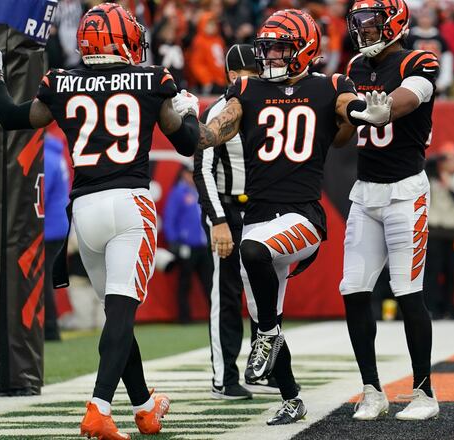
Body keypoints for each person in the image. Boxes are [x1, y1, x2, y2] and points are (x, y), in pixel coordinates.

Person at [0, 3, 200, 438]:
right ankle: (98, 407)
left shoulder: (61, 81)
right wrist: (188, 111)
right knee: (120, 315)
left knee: (117, 316)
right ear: (123, 39)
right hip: (130, 205)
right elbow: (186, 143)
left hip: (85, 211)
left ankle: (146, 406)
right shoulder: (153, 78)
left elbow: (12, 117)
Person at [180, 8, 384, 425]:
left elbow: (349, 107)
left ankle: (269, 337)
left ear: (305, 49)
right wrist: (179, 118)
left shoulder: (329, 85)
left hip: (302, 217)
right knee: (262, 313)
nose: (270, 55)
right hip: (258, 214)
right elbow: (208, 136)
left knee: (252, 255)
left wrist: (368, 112)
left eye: (280, 47)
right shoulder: (247, 90)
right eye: (267, 47)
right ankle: (291, 397)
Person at [342, 0, 440, 420]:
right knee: (353, 289)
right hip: (365, 192)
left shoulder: (419, 59)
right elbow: (344, 132)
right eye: (358, 24)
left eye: (370, 23)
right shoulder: (356, 68)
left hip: (405, 192)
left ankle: (424, 393)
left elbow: (410, 97)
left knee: (408, 292)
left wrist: (383, 110)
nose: (363, 31)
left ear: (395, 23)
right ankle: (372, 390)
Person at [193, 43, 255, 401]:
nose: (260, 79)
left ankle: (264, 369)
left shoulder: (265, 106)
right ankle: (224, 377)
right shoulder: (218, 111)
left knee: (264, 293)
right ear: (233, 76)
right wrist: (218, 220)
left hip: (260, 209)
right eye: (252, 73)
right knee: (227, 293)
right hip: (227, 208)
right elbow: (201, 171)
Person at [424, 143, 454, 319]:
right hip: (434, 232)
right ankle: (432, 309)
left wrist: (449, 186)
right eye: (444, 158)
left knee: (451, 272)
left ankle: (448, 308)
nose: (447, 162)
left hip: (453, 234)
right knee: (432, 272)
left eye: (451, 158)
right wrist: (431, 170)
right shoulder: (430, 179)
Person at [163, 164, 210, 324]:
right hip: (187, 246)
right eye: (190, 173)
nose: (193, 177)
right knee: (185, 282)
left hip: (203, 246)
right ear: (184, 174)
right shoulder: (178, 193)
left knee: (209, 282)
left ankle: (216, 316)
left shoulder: (201, 192)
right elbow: (170, 219)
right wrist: (175, 242)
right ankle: (184, 317)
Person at [43, 133, 70, 341]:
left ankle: (50, 327)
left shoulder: (46, 157)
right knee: (47, 277)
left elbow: (40, 194)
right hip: (58, 224)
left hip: (49, 227)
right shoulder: (55, 154)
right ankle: (50, 325)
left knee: (42, 278)